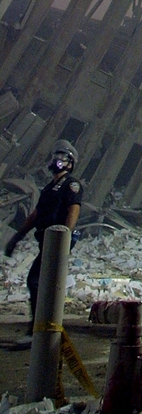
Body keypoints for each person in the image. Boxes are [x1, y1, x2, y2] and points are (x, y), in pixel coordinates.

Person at [4, 140, 83, 345]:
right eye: (56, 156)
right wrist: (17, 237)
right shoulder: (49, 188)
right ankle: (40, 329)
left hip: (56, 241)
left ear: (70, 163)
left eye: (62, 157)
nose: (57, 160)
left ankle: (39, 331)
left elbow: (74, 209)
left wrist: (65, 235)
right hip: (45, 239)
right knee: (41, 283)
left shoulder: (71, 184)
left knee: (37, 281)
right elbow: (36, 214)